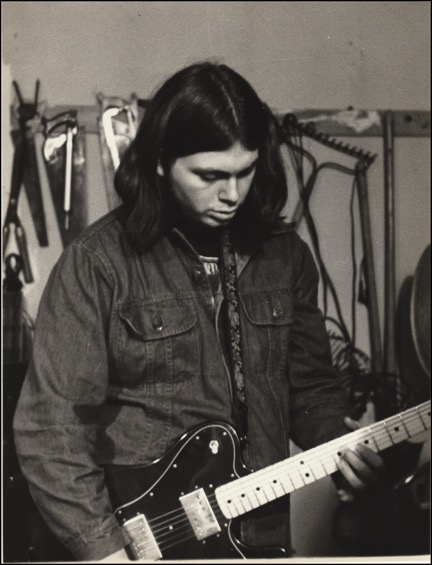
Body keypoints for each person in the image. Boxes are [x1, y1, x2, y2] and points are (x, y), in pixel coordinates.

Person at [13, 61, 384, 562]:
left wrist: (338, 444)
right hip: (143, 543)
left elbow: (310, 388)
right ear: (162, 162)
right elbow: (50, 428)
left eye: (245, 171)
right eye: (210, 176)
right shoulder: (98, 262)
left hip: (261, 535)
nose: (232, 194)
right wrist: (102, 550)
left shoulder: (285, 254)